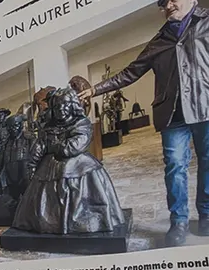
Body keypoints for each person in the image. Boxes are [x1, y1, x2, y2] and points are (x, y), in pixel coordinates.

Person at [71, 0, 209, 247]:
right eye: (164, 5)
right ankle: (179, 219)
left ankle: (208, 213)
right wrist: (95, 89)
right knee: (175, 167)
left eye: (173, 0)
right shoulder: (159, 41)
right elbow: (130, 73)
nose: (168, 7)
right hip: (172, 112)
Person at [12, 87, 126, 235]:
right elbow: (40, 146)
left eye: (65, 104)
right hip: (50, 169)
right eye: (57, 106)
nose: (61, 109)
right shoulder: (49, 126)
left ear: (73, 105)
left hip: (79, 167)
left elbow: (72, 148)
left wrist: (52, 145)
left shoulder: (82, 124)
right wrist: (33, 163)